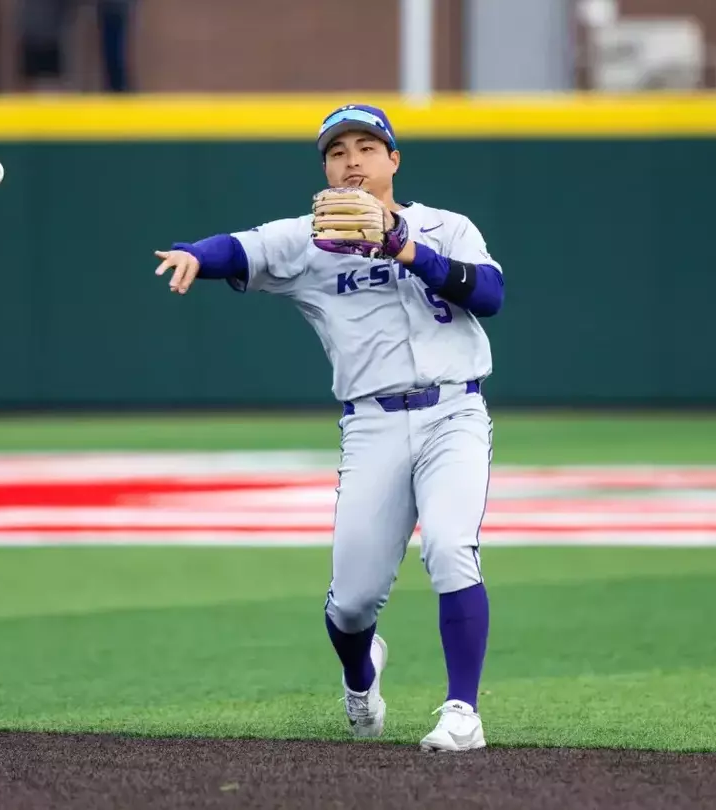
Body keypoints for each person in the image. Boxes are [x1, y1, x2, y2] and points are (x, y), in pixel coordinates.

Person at [152, 104, 505, 752]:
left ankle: (463, 712)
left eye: (366, 148)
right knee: (350, 606)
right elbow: (241, 249)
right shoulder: (309, 241)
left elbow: (488, 295)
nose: (351, 161)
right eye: (337, 151)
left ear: (393, 160)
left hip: (454, 411)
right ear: (326, 170)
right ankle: (360, 673)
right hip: (371, 426)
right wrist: (195, 256)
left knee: (452, 548)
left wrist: (407, 249)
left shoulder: (444, 226)